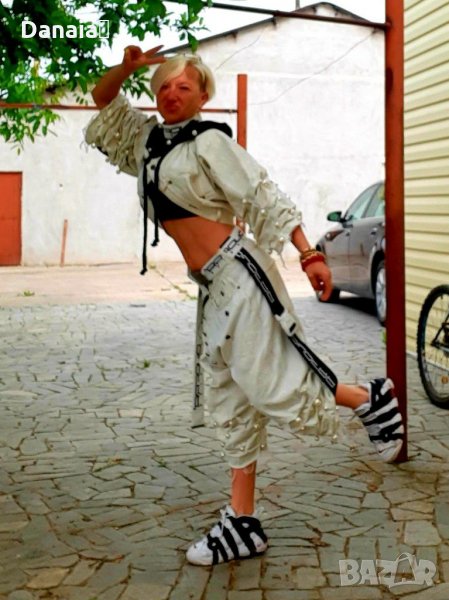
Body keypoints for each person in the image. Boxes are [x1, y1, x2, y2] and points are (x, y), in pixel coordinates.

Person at [85, 46, 404, 566]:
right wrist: (127, 68)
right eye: (163, 86)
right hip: (212, 285)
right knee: (230, 399)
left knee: (270, 382)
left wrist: (308, 253)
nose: (171, 94)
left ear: (203, 96)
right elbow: (103, 100)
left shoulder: (209, 142)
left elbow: (261, 195)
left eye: (183, 87)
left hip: (241, 273)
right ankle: (243, 523)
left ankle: (369, 399)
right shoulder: (147, 144)